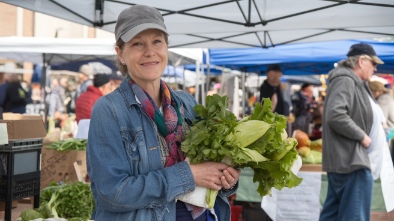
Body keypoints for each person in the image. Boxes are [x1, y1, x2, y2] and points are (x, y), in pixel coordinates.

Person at [86, 4, 239, 221]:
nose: (150, 52)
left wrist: (225, 179)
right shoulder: (109, 110)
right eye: (137, 43)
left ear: (166, 46)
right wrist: (189, 175)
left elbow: (208, 171)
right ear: (120, 53)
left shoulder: (186, 102)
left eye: (157, 41)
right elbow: (112, 193)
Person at [319, 43, 384, 221]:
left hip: (348, 161)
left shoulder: (350, 80)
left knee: (333, 215)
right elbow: (336, 114)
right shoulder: (346, 79)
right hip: (351, 162)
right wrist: (362, 136)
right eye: (374, 63)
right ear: (362, 61)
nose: (376, 68)